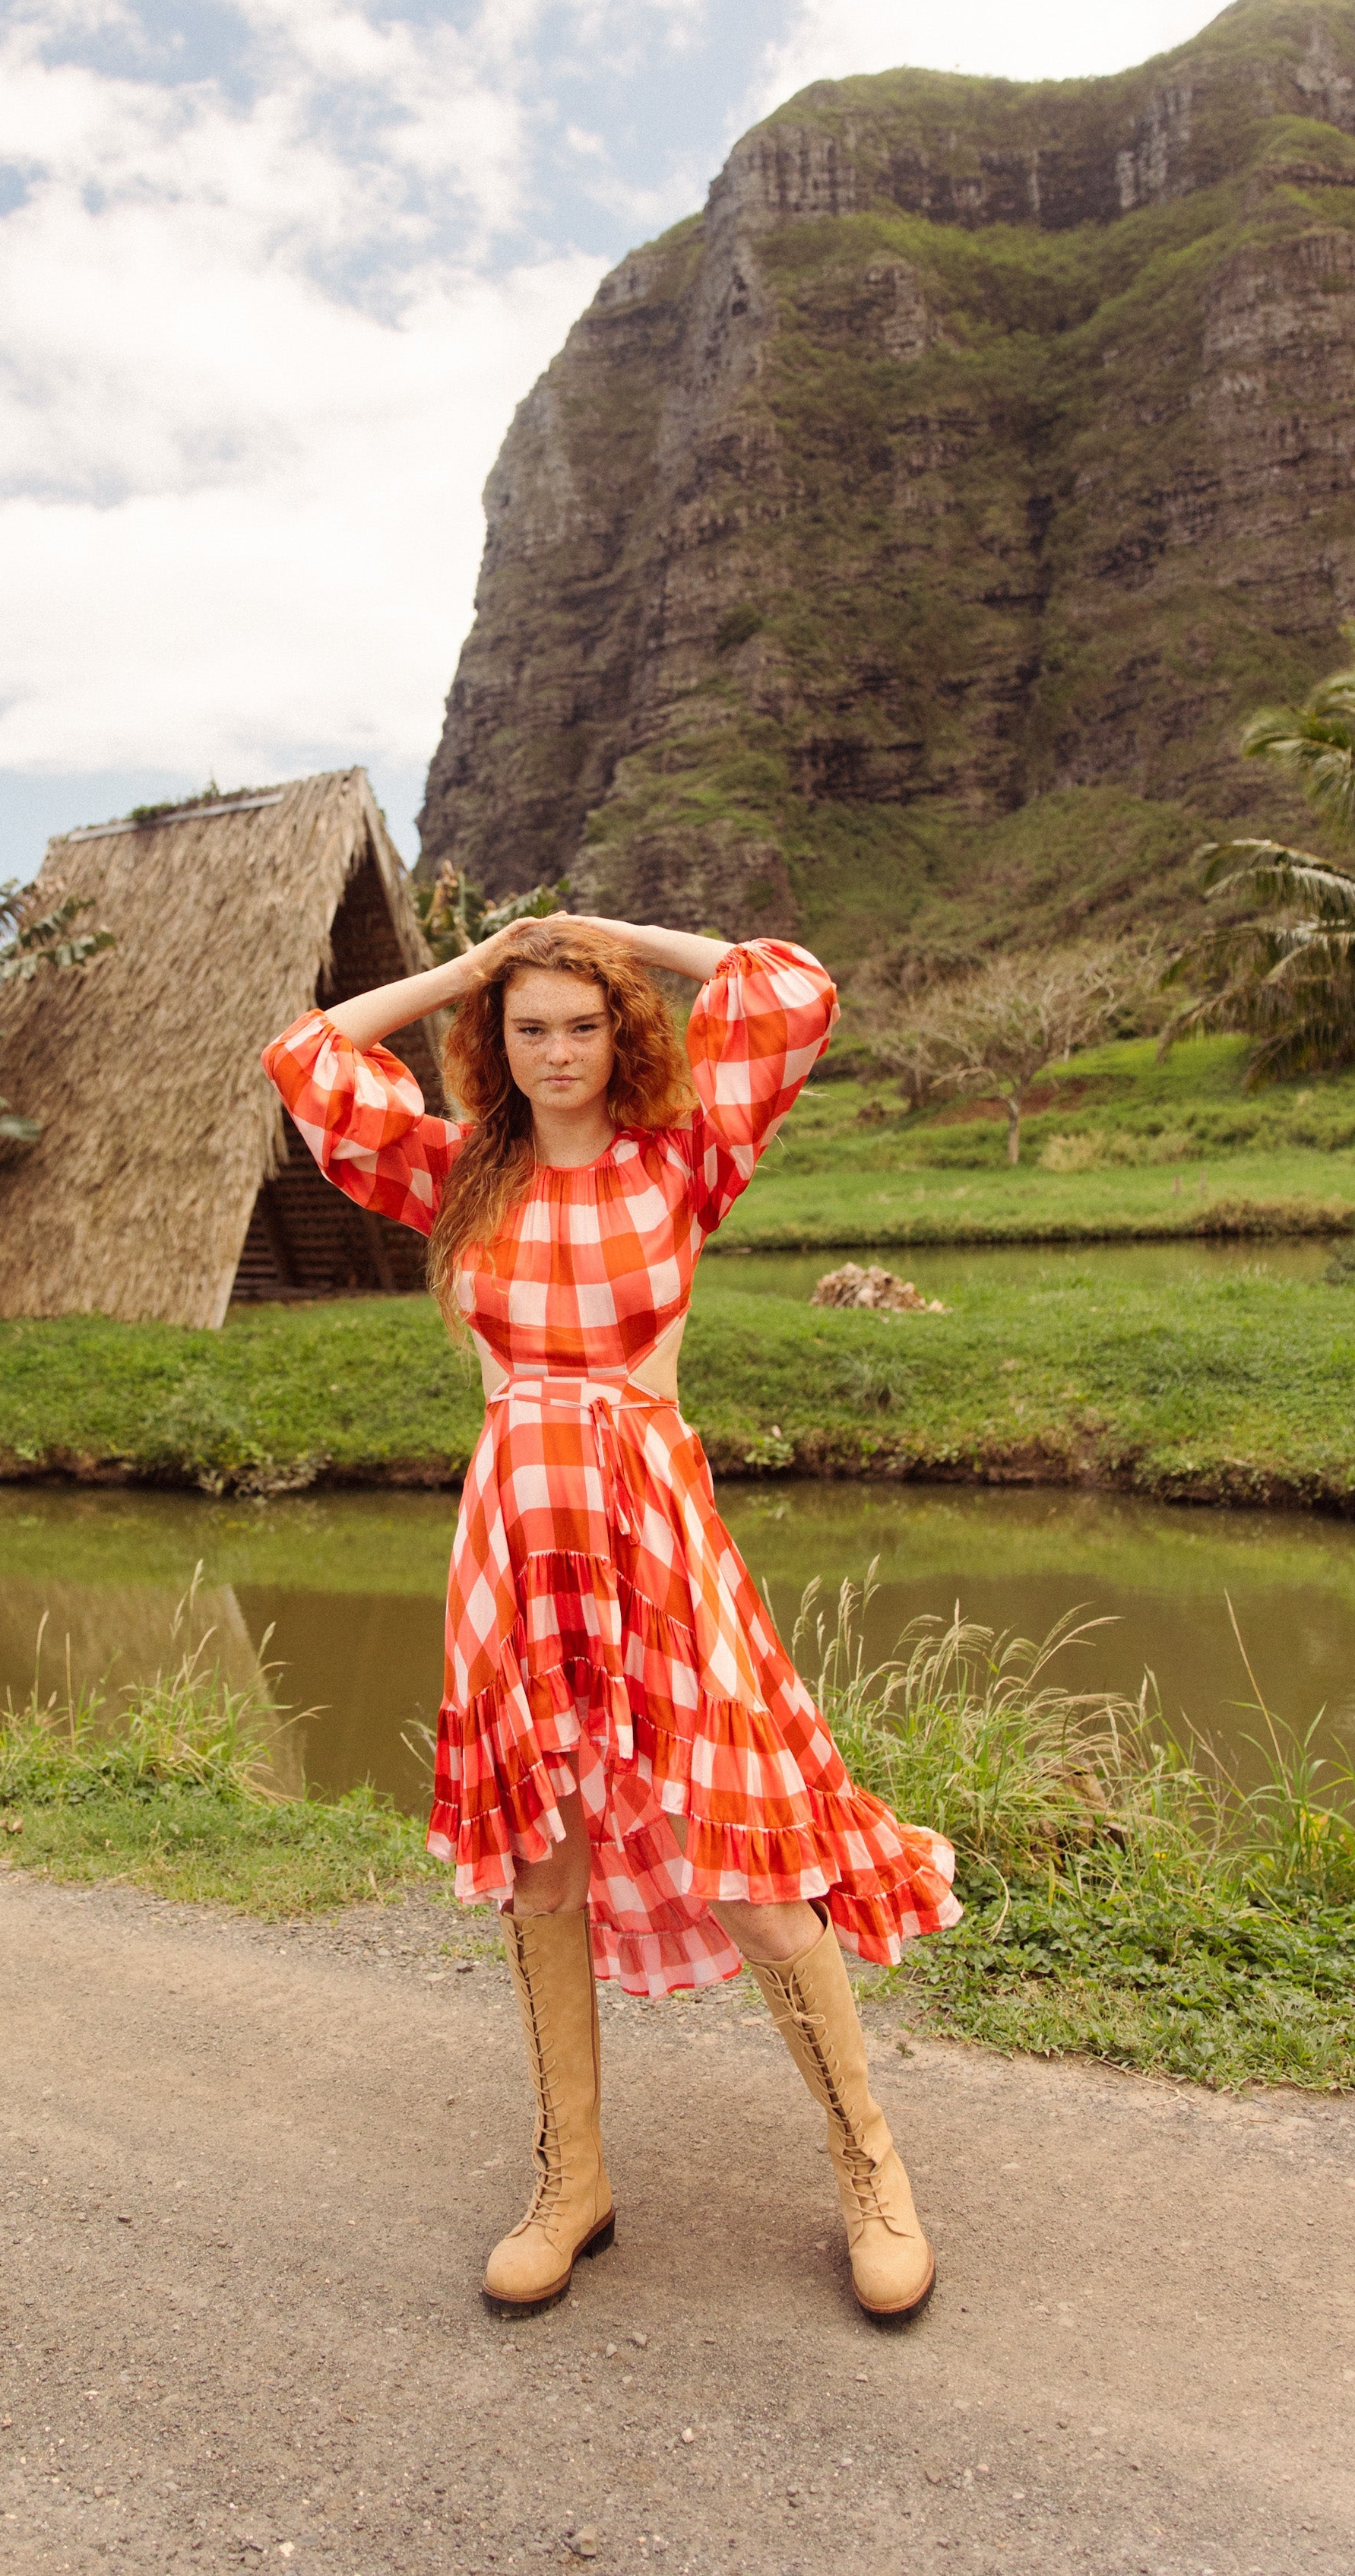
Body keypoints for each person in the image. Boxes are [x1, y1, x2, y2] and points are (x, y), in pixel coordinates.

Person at [261, 914, 957, 2322]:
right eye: (531, 1028)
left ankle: (871, 2167)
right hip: (518, 1546)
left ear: (623, 1032)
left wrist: (602, 938)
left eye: (584, 1023)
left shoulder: (682, 1158)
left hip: (655, 1544)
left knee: (758, 1879)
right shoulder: (458, 1177)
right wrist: (473, 969)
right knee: (543, 1874)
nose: (560, 1051)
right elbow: (312, 1057)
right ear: (496, 1047)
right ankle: (569, 2176)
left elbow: (790, 988)